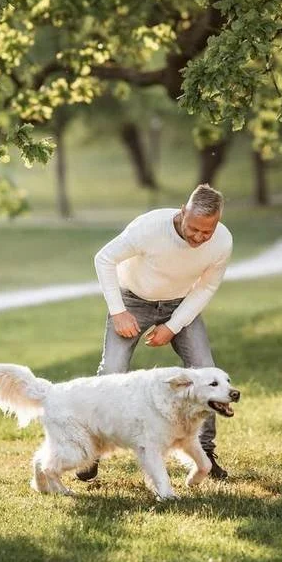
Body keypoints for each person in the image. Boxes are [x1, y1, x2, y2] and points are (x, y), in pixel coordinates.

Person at [77, 183, 234, 482]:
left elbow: (207, 287)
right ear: (182, 212)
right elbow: (104, 258)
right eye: (194, 229)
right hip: (133, 300)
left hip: (181, 304)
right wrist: (118, 311)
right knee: (112, 369)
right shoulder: (149, 227)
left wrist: (172, 326)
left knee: (204, 368)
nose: (199, 238)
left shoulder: (223, 241)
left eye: (207, 231)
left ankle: (205, 453)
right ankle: (90, 451)